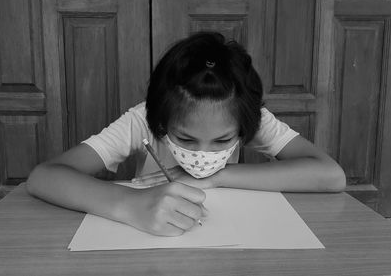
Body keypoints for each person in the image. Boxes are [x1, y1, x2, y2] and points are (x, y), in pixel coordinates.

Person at [26, 31, 346, 237]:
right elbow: (44, 177)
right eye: (186, 139)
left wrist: (217, 178)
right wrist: (130, 204)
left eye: (222, 141)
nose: (204, 154)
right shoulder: (142, 121)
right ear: (162, 123)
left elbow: (331, 176)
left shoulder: (250, 117)